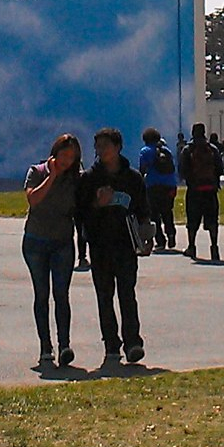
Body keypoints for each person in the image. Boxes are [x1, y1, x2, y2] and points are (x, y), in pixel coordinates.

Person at [77, 127, 151, 364]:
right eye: (97, 147)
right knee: (104, 296)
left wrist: (146, 237)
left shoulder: (133, 178)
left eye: (105, 146)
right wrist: (98, 205)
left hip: (126, 247)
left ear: (118, 147)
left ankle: (133, 343)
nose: (100, 151)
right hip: (100, 247)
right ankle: (111, 345)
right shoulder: (89, 178)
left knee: (127, 295)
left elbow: (143, 211)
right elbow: (80, 214)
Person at [22, 133, 82, 366]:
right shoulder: (36, 172)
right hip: (36, 241)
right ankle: (45, 346)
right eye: (64, 155)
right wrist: (52, 176)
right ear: (55, 153)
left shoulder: (76, 178)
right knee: (42, 294)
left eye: (72, 157)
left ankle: (64, 344)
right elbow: (33, 200)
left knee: (61, 294)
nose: (67, 161)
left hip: (62, 242)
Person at [179, 122, 223, 262]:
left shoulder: (188, 149)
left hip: (194, 190)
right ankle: (214, 248)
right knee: (212, 220)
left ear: (192, 132)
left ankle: (192, 247)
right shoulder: (212, 148)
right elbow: (220, 169)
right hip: (210, 190)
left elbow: (182, 170)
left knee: (192, 220)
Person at [139, 128, 178, 249]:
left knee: (154, 214)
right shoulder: (167, 150)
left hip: (153, 185)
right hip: (170, 184)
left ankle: (160, 240)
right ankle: (171, 234)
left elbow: (142, 168)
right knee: (167, 211)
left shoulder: (145, 151)